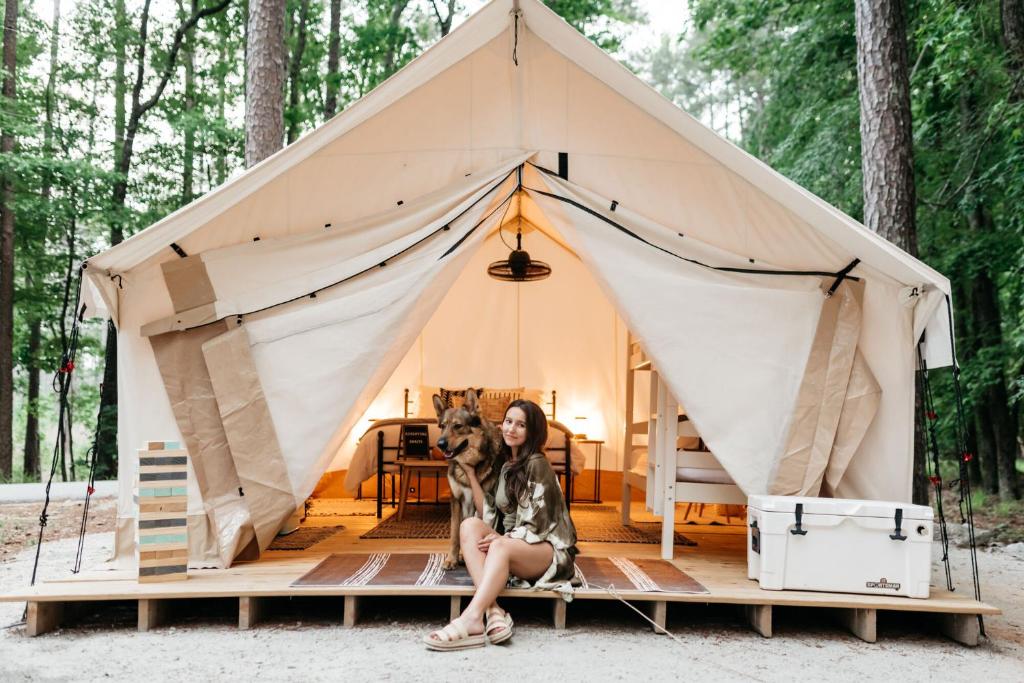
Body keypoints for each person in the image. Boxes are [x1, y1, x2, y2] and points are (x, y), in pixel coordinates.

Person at [423, 399, 579, 650]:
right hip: (514, 545)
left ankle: (472, 617)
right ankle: (494, 610)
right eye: (508, 422)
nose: (511, 429)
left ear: (533, 431)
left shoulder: (537, 464)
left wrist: (502, 539)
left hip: (547, 550)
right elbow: (489, 513)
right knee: (470, 525)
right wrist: (471, 475)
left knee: (499, 547)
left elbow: (538, 525)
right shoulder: (506, 465)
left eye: (521, 425)